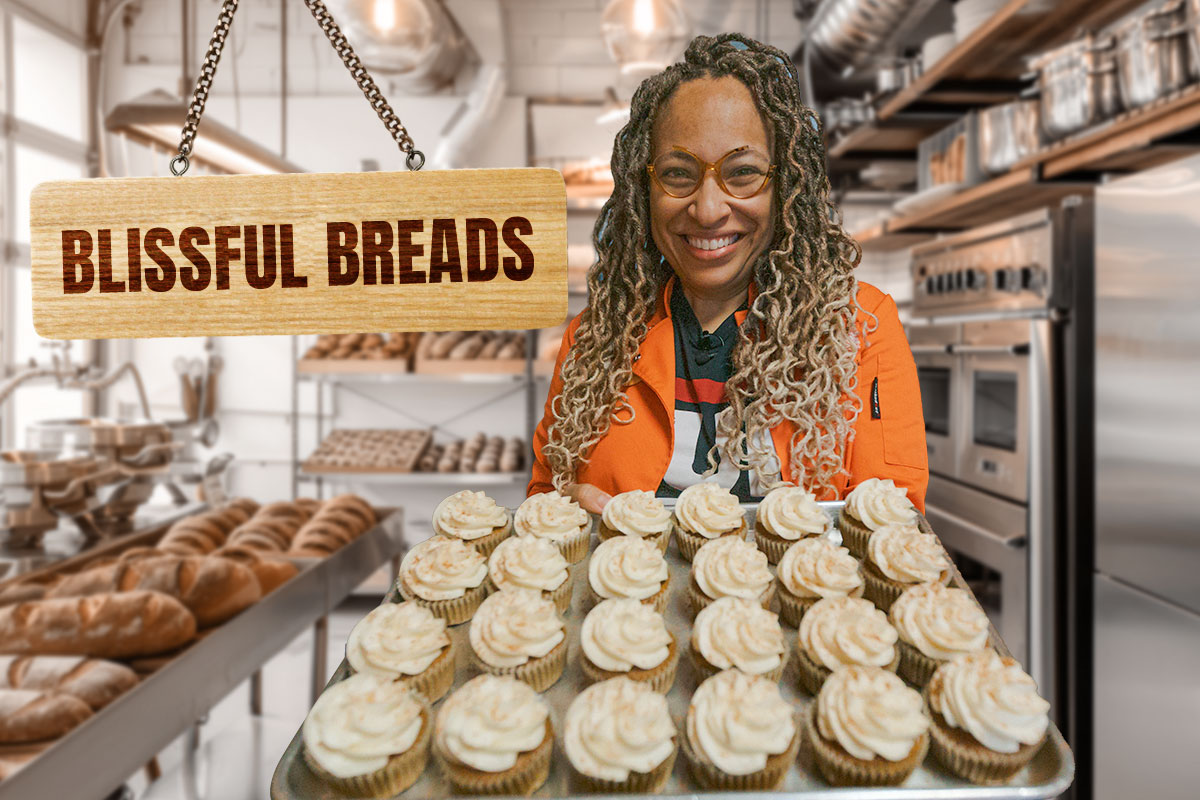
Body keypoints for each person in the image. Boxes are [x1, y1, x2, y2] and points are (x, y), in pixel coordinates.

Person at [528, 33, 927, 515]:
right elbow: (545, 499)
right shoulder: (592, 341)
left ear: (787, 187)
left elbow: (895, 526)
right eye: (678, 173)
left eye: (742, 172)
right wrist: (561, 515)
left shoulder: (859, 329)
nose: (708, 209)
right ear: (642, 190)